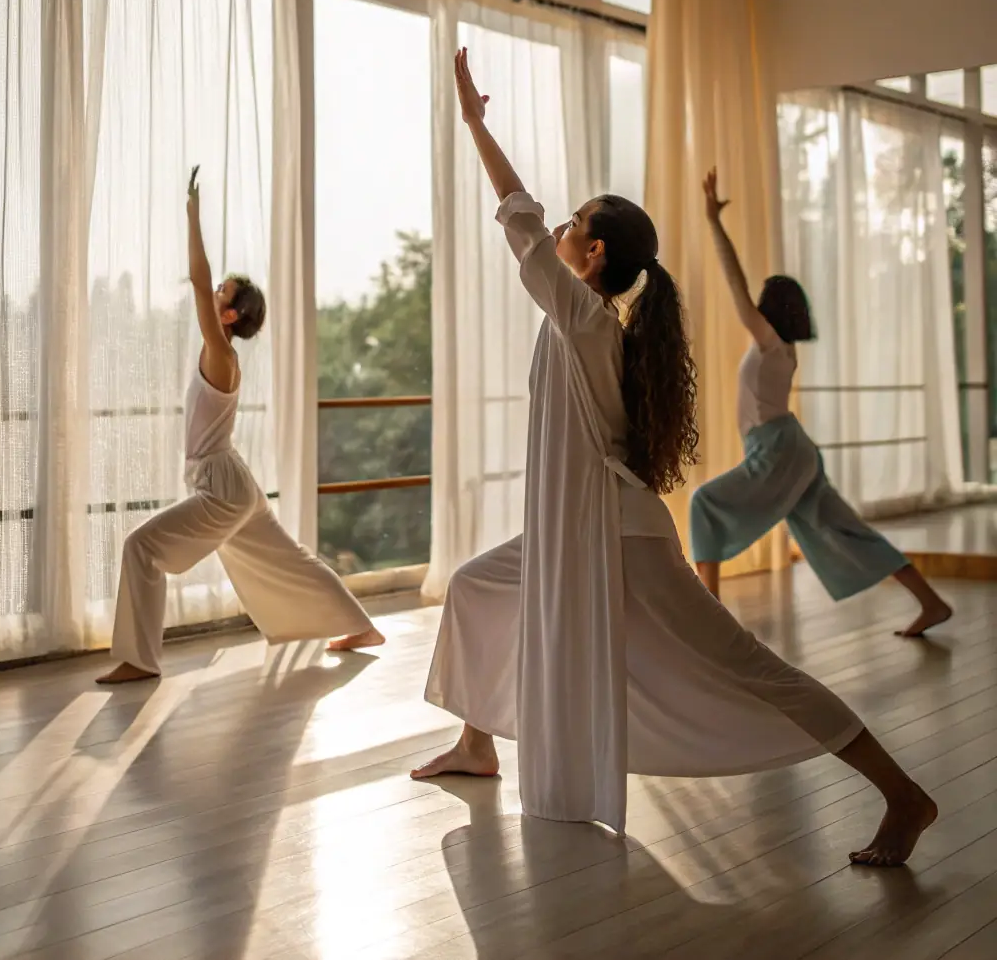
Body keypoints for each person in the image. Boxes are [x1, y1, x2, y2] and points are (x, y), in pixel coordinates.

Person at [410, 50, 937, 867]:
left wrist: (479, 125)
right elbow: (532, 226)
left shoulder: (584, 317)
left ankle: (904, 794)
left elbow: (516, 214)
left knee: (748, 664)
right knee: (479, 586)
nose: (557, 232)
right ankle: (478, 740)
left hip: (617, 539)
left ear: (590, 257)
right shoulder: (583, 321)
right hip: (578, 532)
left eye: (572, 227)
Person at [97, 167, 382, 683]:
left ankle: (138, 660)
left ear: (228, 315)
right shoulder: (222, 356)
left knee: (142, 546)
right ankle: (361, 627)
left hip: (223, 488)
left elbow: (199, 280)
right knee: (290, 558)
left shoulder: (220, 353)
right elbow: (205, 286)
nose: (211, 293)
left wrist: (192, 216)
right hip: (233, 482)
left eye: (221, 292)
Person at [691, 167, 952, 640]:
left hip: (779, 449)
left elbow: (736, 287)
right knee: (847, 529)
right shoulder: (779, 349)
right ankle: (930, 602)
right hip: (791, 449)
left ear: (771, 308)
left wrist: (712, 221)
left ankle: (710, 626)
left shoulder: (771, 344)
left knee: (705, 503)